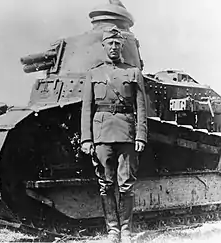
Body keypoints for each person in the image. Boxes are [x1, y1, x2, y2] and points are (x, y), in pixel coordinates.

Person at [81, 26, 147, 243]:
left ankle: (126, 231)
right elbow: (87, 109)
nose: (114, 47)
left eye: (117, 44)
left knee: (126, 184)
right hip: (102, 135)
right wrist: (87, 138)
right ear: (104, 46)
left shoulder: (133, 72)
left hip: (127, 133)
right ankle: (113, 231)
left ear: (122, 46)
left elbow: (141, 108)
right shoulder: (94, 74)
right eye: (110, 43)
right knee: (106, 184)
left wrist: (140, 136)